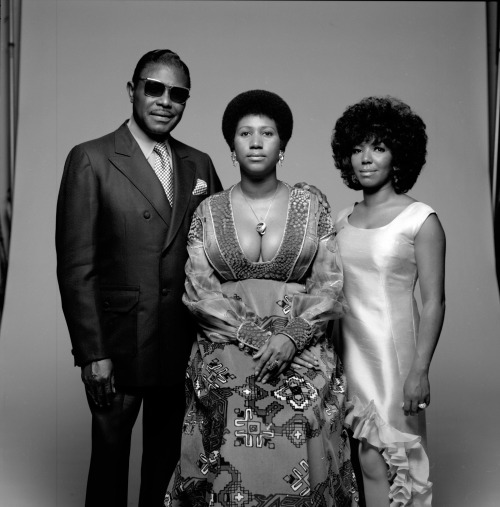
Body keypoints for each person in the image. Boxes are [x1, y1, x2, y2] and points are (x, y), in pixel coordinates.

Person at [164, 89, 358, 507]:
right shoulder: (208, 211)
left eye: (267, 133)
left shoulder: (312, 204)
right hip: (226, 344)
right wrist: (252, 335)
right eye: (244, 133)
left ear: (282, 145)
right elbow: (199, 292)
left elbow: (329, 285)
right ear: (231, 147)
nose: (255, 141)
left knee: (306, 409)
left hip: (301, 345)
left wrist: (291, 337)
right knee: (227, 405)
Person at [56, 49, 223, 507]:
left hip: (180, 342)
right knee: (109, 471)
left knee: (169, 472)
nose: (166, 101)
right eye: (155, 88)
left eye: (178, 94)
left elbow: (218, 251)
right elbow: (76, 267)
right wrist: (93, 352)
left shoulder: (199, 164)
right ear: (133, 91)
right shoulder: (91, 159)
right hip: (118, 344)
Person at [331, 96, 446, 507]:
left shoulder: (420, 219)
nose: (366, 158)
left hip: (393, 357)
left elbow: (434, 302)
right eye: (358, 147)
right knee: (361, 461)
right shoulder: (341, 221)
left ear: (399, 155)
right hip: (349, 355)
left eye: (378, 147)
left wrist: (420, 370)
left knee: (391, 458)